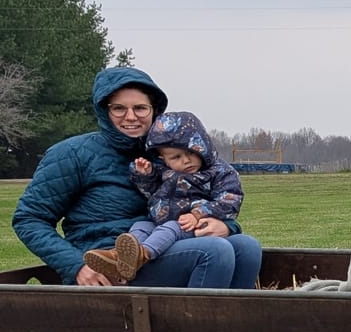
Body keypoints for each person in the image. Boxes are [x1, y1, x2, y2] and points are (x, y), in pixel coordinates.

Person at [13, 66, 262, 290]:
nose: (130, 117)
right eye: (119, 108)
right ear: (104, 111)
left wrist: (225, 226)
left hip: (164, 244)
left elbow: (206, 196)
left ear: (154, 110)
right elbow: (29, 218)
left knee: (247, 247)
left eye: (140, 108)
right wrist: (76, 265)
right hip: (110, 261)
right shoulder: (72, 154)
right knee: (214, 252)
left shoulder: (171, 154)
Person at [82, 110, 245, 284]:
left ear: (203, 146)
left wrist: (198, 213)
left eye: (192, 152)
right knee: (141, 225)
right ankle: (118, 256)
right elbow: (153, 194)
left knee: (171, 228)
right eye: (176, 157)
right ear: (163, 159)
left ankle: (142, 255)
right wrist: (145, 175)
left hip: (191, 225)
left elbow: (230, 199)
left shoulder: (218, 171)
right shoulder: (166, 173)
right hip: (158, 222)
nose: (186, 161)